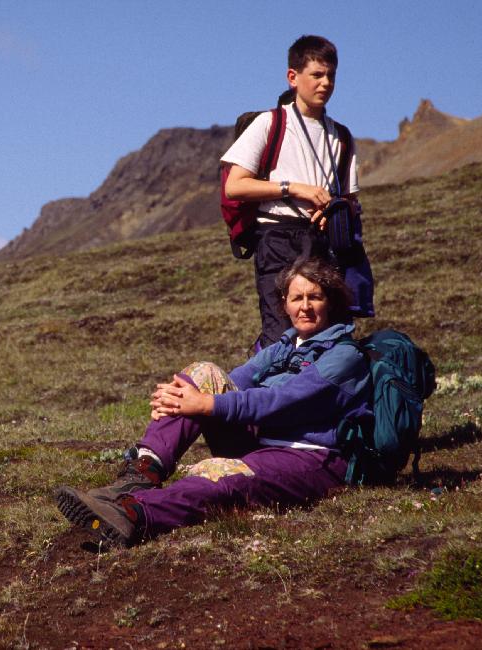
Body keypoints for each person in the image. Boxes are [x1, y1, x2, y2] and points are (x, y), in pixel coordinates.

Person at [55, 257, 372, 547]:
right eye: (297, 298)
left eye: (314, 296)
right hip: (264, 443)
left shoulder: (344, 356)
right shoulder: (285, 348)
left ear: (332, 302)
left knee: (217, 474)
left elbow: (280, 401)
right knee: (202, 372)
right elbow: (231, 382)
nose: (305, 306)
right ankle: (140, 475)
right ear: (285, 305)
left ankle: (133, 514)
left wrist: (204, 406)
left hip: (311, 458)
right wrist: (181, 398)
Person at [221, 35, 363, 349]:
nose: (325, 83)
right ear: (293, 77)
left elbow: (352, 202)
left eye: (331, 76)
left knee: (329, 337)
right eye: (317, 75)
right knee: (280, 339)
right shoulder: (269, 124)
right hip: (277, 239)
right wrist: (292, 189)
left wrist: (336, 211)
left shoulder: (341, 136)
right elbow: (235, 185)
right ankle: (269, 396)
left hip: (323, 244)